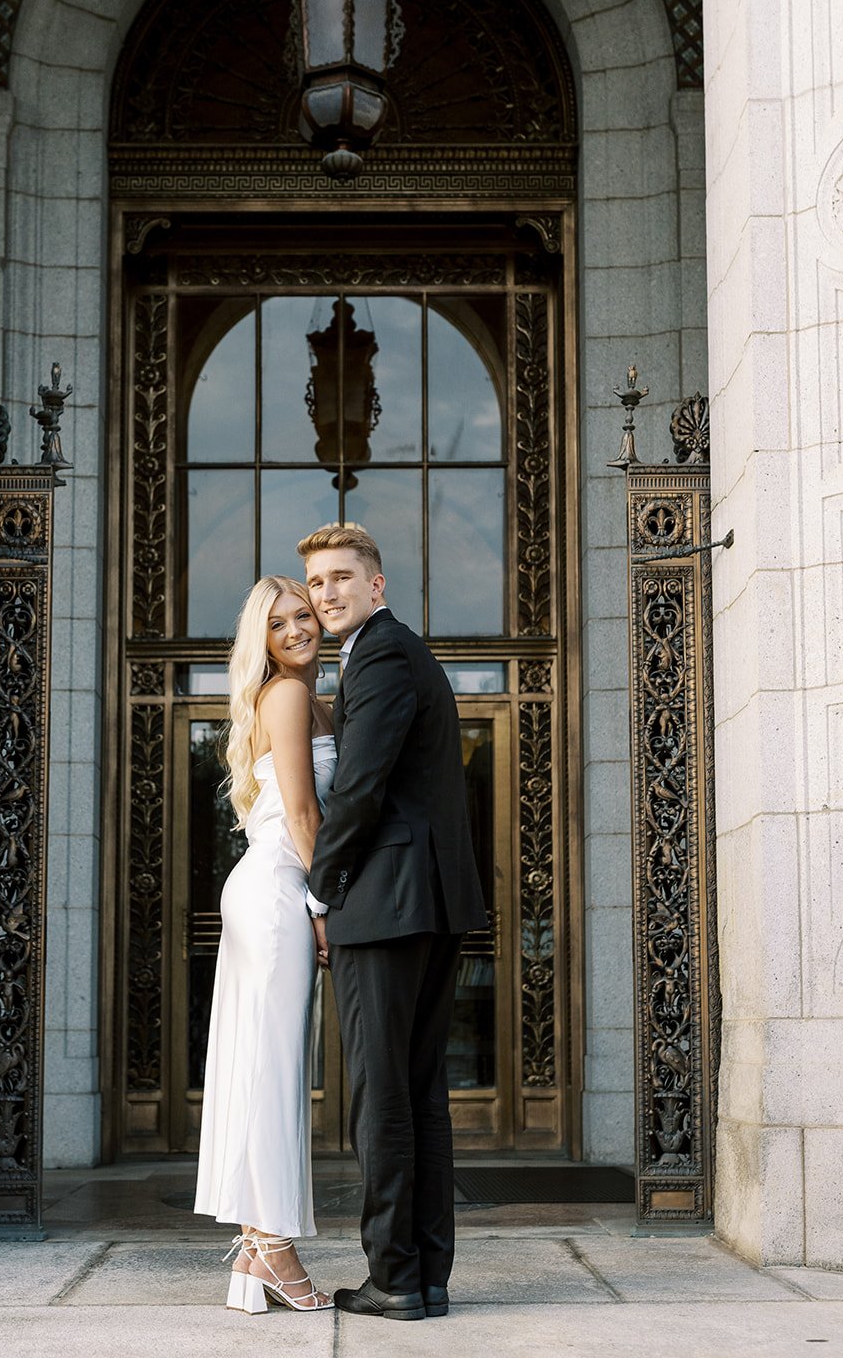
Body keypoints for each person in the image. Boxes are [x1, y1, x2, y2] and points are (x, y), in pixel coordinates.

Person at [299, 523, 487, 1321]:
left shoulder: (377, 654)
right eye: (316, 582)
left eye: (342, 577)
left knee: (380, 1097)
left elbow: (361, 788)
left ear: (376, 585)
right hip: (432, 901)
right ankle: (426, 1275)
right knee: (417, 1093)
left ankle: (393, 1278)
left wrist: (319, 889)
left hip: (384, 903)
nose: (327, 593)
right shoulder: (407, 652)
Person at [193, 576, 336, 1315]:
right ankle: (273, 1248)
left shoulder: (312, 700)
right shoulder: (284, 695)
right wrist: (322, 909)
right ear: (263, 638)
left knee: (266, 1068)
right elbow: (305, 814)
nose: (294, 631)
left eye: (302, 617)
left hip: (271, 888)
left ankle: (256, 1251)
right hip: (279, 890)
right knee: (274, 1072)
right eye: (277, 623)